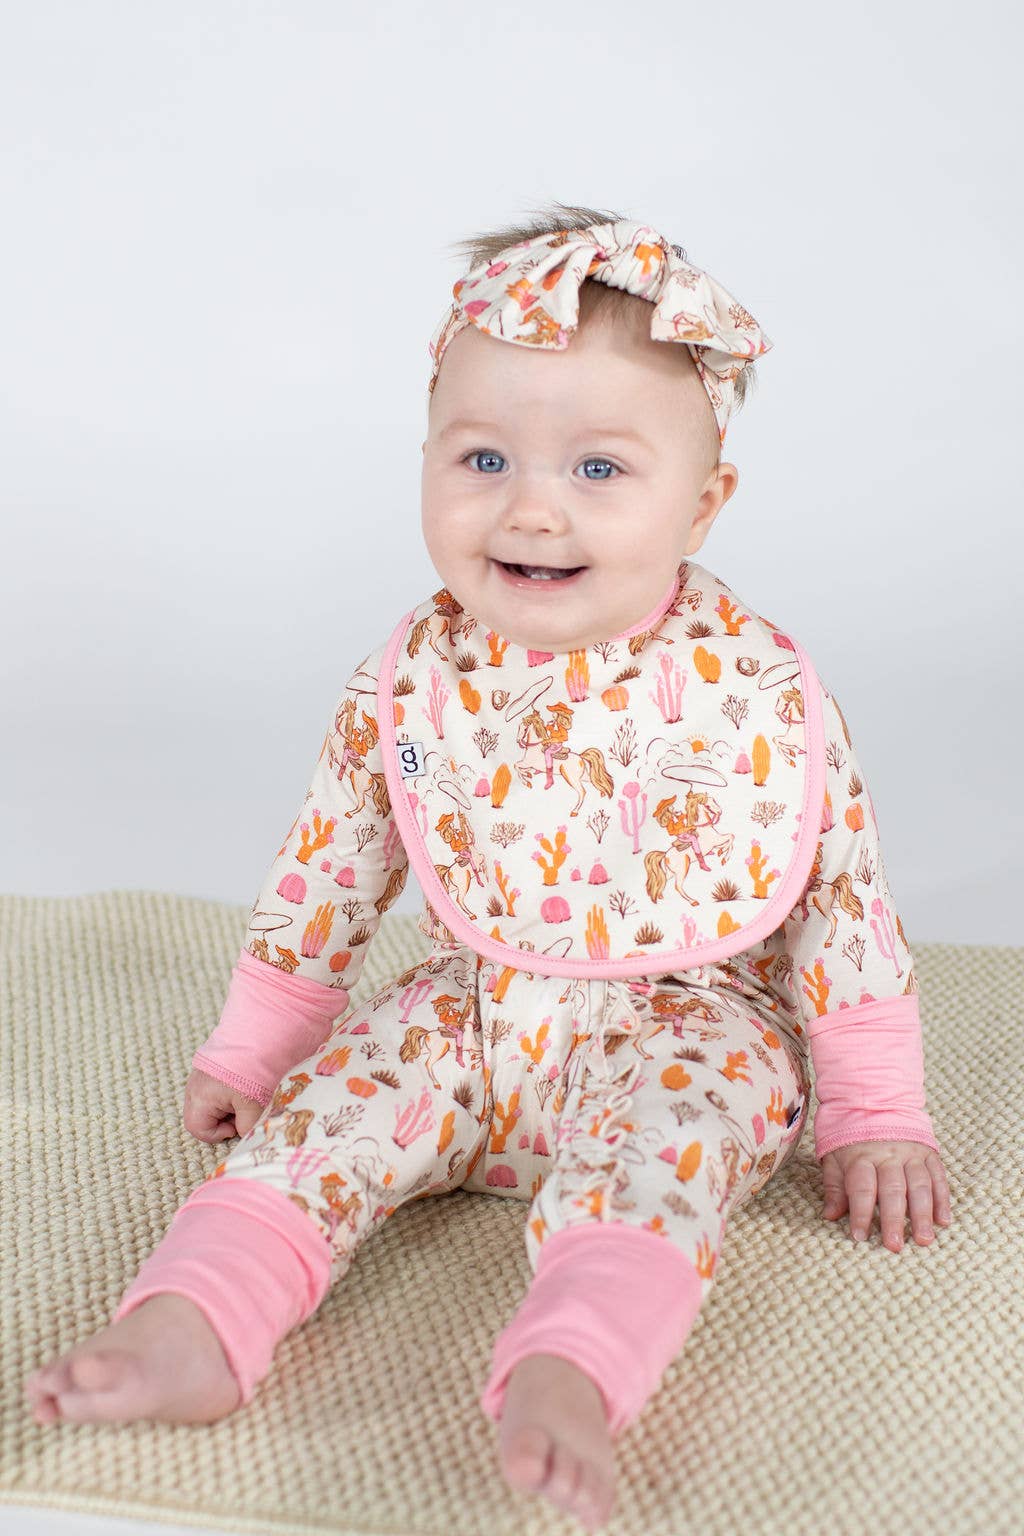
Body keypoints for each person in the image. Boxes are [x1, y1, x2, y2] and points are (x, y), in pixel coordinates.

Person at [24, 203, 953, 1534]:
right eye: (482, 456)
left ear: (704, 503)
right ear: (424, 460)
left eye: (599, 468)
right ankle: (193, 1321)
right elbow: (331, 861)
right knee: (318, 1127)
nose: (530, 505)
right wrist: (259, 1046)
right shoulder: (415, 672)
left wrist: (876, 1112)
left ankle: (571, 1368)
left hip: (691, 1023)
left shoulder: (753, 687)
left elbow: (844, 896)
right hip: (468, 1008)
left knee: (666, 1160)